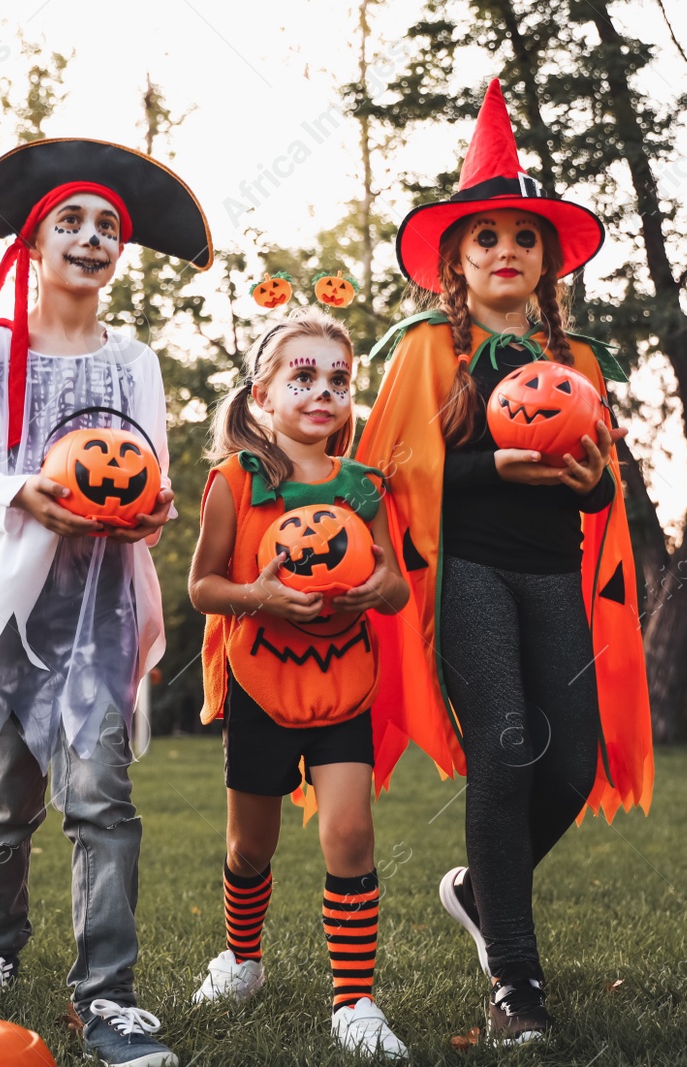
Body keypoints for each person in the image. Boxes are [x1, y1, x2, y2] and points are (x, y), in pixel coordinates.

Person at [355, 78, 654, 1044]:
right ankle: (516, 984)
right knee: (507, 745)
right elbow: (402, 474)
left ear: (547, 261)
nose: (506, 253)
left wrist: (580, 481)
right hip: (470, 569)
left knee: (569, 764)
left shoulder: (581, 360)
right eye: (486, 238)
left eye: (524, 239)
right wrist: (499, 463)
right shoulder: (424, 353)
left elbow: (604, 488)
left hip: (556, 573)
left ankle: (481, 889)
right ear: (456, 259)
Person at [0, 137, 212, 1067]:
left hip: (100, 606)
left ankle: (107, 997)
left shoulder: (136, 360)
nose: (91, 239)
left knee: (101, 798)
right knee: (9, 795)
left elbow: (152, 478)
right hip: (16, 602)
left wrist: (155, 504)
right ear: (36, 242)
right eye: (71, 223)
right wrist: (23, 492)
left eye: (106, 228)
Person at [187, 309, 410, 1059]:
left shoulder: (365, 486)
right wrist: (261, 596)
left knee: (349, 831)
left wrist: (377, 589)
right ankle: (242, 958)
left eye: (339, 380)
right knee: (252, 844)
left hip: (342, 681)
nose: (324, 392)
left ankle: (355, 1000)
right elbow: (204, 588)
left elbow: (398, 586)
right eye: (304, 376)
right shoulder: (234, 482)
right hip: (261, 682)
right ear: (263, 395)